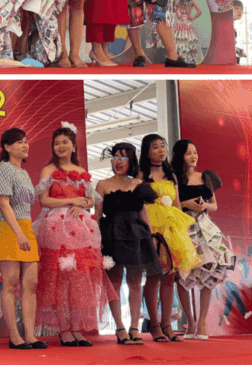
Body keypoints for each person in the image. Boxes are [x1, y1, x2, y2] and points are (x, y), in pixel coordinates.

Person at [33, 124, 116, 346]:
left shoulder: (80, 171)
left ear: (73, 146)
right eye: (56, 143)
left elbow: (91, 199)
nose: (60, 146)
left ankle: (77, 328)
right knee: (60, 279)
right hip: (56, 227)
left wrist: (82, 204)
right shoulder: (48, 170)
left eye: (64, 142)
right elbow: (43, 200)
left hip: (80, 228)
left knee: (80, 279)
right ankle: (64, 330)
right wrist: (72, 201)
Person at [96, 142, 160, 345]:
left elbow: (144, 213)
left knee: (135, 281)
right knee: (114, 282)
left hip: (136, 234)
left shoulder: (138, 184)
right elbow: (96, 216)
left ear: (131, 161)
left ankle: (134, 327)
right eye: (115, 157)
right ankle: (119, 328)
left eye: (123, 157)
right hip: (111, 234)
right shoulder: (102, 184)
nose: (118, 161)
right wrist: (94, 241)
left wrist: (151, 237)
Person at [138, 134, 200, 342]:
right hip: (151, 228)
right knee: (154, 276)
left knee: (170, 276)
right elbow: (139, 206)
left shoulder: (170, 174)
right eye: (155, 147)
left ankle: (167, 325)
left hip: (172, 228)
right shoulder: (141, 174)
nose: (161, 150)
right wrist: (148, 233)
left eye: (162, 146)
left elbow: (177, 204)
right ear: (147, 151)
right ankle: (154, 325)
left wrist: (184, 232)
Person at [172, 139, 235, 340]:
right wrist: (186, 204)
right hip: (183, 226)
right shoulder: (174, 178)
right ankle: (190, 321)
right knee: (182, 274)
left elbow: (214, 204)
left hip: (205, 228)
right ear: (180, 156)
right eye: (188, 153)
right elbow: (171, 205)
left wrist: (204, 206)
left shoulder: (206, 177)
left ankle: (201, 322)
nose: (193, 156)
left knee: (210, 272)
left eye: (195, 152)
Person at [0, 128, 46, 350]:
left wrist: (27, 232)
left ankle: (30, 335)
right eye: (19, 142)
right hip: (8, 228)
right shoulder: (1, 168)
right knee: (11, 283)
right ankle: (15, 336)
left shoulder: (24, 172)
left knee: (31, 284)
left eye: (26, 141)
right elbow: (4, 204)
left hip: (26, 227)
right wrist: (19, 233)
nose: (25, 145)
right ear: (6, 147)